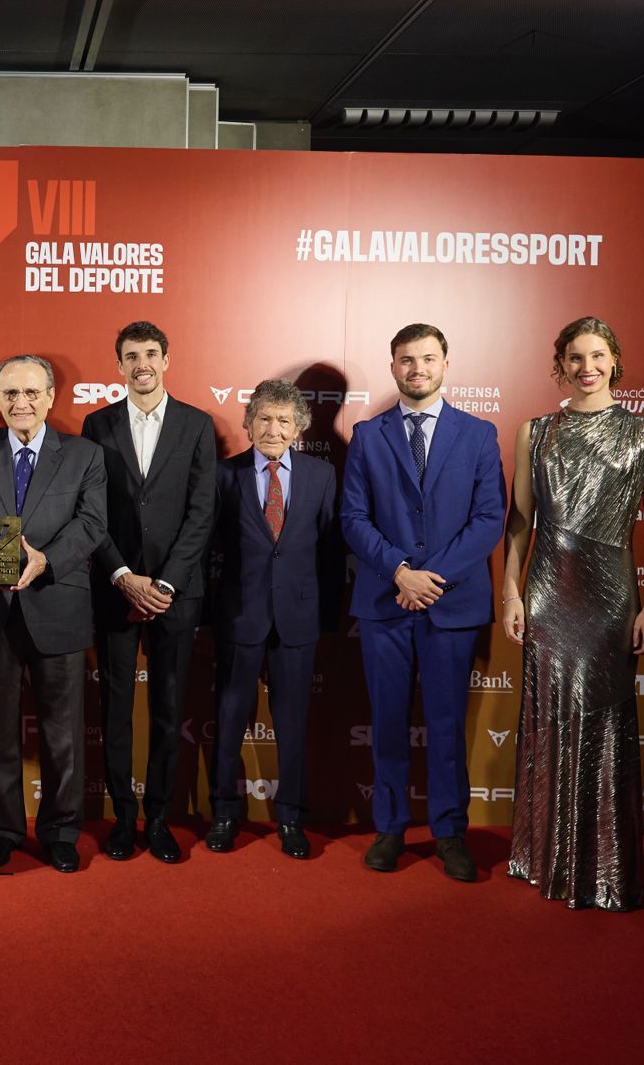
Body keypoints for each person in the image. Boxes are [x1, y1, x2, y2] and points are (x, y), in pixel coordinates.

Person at [502, 317, 644, 911]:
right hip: (549, 595)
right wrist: (511, 592)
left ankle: (604, 869)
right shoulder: (534, 432)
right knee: (548, 720)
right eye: (575, 357)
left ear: (615, 360)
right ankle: (544, 857)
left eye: (597, 356)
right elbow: (519, 521)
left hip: (610, 600)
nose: (587, 367)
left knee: (604, 722)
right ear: (561, 365)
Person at [342, 323, 505, 882]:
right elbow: (353, 518)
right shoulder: (368, 436)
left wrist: (430, 579)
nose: (418, 369)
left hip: (451, 605)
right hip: (385, 602)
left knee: (446, 724)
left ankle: (450, 832)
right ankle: (389, 829)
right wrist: (400, 572)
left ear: (445, 364)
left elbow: (489, 518)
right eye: (407, 360)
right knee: (387, 722)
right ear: (393, 366)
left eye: (428, 359)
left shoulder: (478, 434)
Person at [0, 355, 107, 873]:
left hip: (57, 604)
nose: (21, 402)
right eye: (10, 393)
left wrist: (47, 560)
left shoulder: (84, 454)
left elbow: (92, 523)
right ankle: (2, 831)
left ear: (51, 397)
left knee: (64, 734)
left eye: (32, 392)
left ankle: (61, 831)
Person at [81, 321, 215, 863]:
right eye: (132, 356)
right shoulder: (96, 425)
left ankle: (158, 818)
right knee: (115, 710)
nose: (142, 364)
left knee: (168, 708)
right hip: (115, 589)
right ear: (119, 366)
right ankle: (122, 818)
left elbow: (202, 512)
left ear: (167, 360)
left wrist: (164, 584)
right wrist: (122, 576)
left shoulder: (197, 424)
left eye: (151, 354)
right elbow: (90, 511)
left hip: (175, 593)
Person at [207, 379, 340, 859]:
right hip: (239, 616)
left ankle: (291, 818)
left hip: (298, 618)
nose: (273, 429)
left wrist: (326, 617)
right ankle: (225, 813)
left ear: (298, 428)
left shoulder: (322, 475)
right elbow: (209, 548)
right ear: (248, 424)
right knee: (229, 718)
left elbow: (330, 551)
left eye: (284, 420)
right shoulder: (224, 475)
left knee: (292, 722)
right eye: (263, 418)